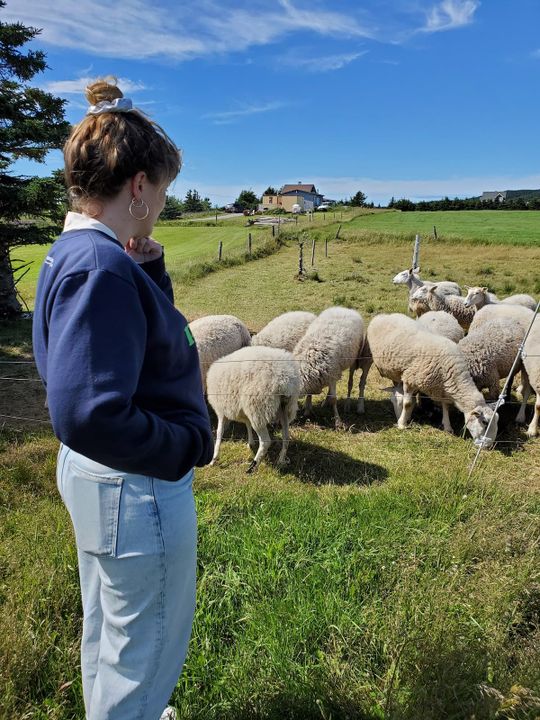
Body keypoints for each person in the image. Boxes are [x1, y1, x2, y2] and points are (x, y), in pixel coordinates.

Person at [32, 77, 214, 720]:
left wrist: (152, 271)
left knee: (111, 628)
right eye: (161, 191)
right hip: (134, 491)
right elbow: (86, 410)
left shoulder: (78, 255)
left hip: (103, 483)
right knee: (143, 650)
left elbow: (126, 349)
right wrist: (183, 446)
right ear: (138, 186)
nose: (162, 204)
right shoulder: (98, 270)